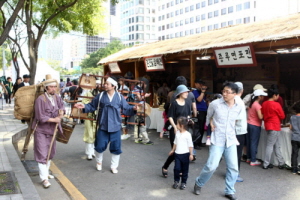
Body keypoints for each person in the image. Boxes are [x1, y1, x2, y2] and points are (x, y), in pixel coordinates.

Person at [74, 77, 137, 174]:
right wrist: (84, 106)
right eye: (105, 83)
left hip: (115, 126)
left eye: (107, 84)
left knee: (116, 148)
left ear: (113, 86)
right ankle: (99, 162)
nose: (105, 85)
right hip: (103, 125)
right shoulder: (100, 96)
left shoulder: (119, 97)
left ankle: (114, 166)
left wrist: (134, 108)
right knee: (99, 146)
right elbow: (92, 106)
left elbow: (126, 108)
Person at [194, 82, 243, 200]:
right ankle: (199, 183)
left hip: (231, 140)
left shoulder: (239, 106)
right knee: (212, 166)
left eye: (227, 92)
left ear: (235, 94)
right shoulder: (215, 104)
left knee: (233, 167)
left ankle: (229, 190)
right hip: (217, 139)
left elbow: (237, 121)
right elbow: (208, 116)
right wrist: (210, 124)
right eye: (223, 91)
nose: (224, 94)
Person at [32, 75, 65, 188]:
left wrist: (61, 113)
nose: (53, 89)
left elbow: (62, 107)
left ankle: (46, 173)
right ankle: (44, 178)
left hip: (53, 130)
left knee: (50, 152)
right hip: (41, 130)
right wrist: (54, 119)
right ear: (46, 88)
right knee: (42, 153)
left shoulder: (57, 97)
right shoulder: (40, 99)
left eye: (55, 87)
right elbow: (40, 116)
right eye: (51, 87)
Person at [162, 85, 193, 178]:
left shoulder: (188, 103)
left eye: (187, 92)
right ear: (180, 93)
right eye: (185, 92)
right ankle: (165, 167)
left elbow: (188, 115)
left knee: (183, 150)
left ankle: (178, 169)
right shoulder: (174, 103)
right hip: (175, 129)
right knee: (175, 150)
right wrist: (175, 127)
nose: (187, 93)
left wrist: (189, 120)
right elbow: (170, 116)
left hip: (184, 130)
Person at [261, 86, 287, 170]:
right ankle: (266, 164)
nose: (278, 97)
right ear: (275, 95)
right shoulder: (276, 104)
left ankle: (281, 162)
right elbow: (282, 116)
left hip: (268, 126)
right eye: (278, 95)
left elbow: (262, 114)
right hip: (275, 126)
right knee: (270, 145)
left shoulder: (264, 103)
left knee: (276, 144)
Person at [169, 116, 193, 190]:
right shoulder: (177, 133)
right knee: (176, 168)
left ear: (181, 125)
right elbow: (175, 143)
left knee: (185, 170)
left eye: (177, 124)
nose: (176, 125)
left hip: (185, 154)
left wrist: (191, 154)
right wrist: (172, 150)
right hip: (177, 154)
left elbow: (190, 145)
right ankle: (176, 181)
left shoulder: (188, 135)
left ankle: (183, 182)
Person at [246, 89, 268, 166]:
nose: (263, 98)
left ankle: (248, 158)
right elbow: (260, 116)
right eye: (262, 96)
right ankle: (253, 160)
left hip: (248, 124)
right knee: (254, 143)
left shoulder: (251, 104)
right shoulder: (257, 105)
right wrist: (266, 114)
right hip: (255, 125)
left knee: (249, 142)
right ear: (259, 97)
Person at [132, 77, 154, 145]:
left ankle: (137, 138)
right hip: (140, 109)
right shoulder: (137, 89)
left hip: (138, 108)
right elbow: (139, 98)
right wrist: (145, 96)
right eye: (145, 84)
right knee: (143, 124)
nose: (146, 86)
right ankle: (146, 140)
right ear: (142, 83)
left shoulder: (137, 88)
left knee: (137, 123)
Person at [233, 82, 247, 183]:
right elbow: (236, 118)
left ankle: (231, 172)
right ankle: (235, 174)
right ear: (242, 91)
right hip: (238, 131)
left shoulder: (233, 100)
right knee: (237, 154)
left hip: (233, 130)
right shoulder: (240, 102)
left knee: (232, 153)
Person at [192, 79, 208, 149]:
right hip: (199, 111)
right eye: (200, 84)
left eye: (202, 84)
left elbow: (204, 100)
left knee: (202, 128)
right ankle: (195, 143)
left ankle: (199, 142)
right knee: (198, 128)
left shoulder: (201, 92)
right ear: (196, 84)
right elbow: (199, 100)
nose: (201, 85)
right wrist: (202, 92)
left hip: (204, 111)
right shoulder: (195, 92)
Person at [82, 89, 97, 160]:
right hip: (89, 116)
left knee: (95, 134)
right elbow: (83, 102)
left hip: (97, 117)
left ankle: (93, 151)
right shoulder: (88, 93)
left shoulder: (101, 94)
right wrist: (90, 102)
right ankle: (88, 153)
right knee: (89, 134)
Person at [290, 101, 300, 174]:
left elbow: (291, 127)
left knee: (294, 153)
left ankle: (294, 169)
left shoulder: (292, 117)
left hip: (294, 138)